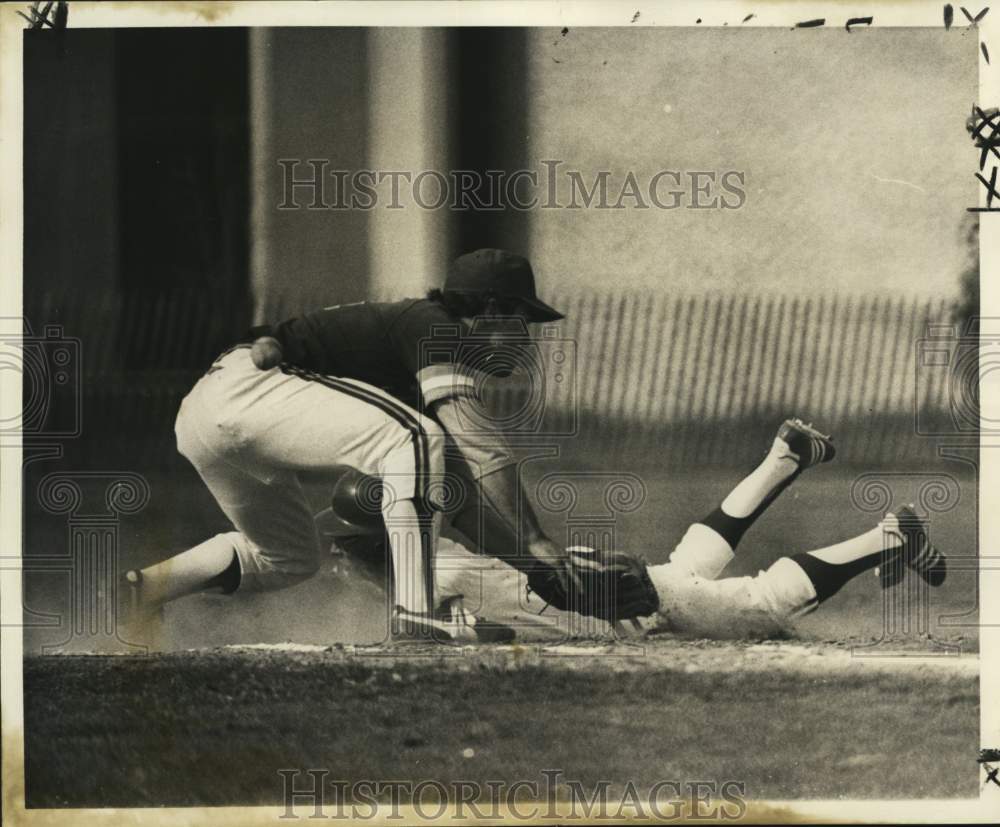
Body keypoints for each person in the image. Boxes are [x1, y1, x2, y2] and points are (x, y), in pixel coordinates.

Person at [125, 248, 582, 644]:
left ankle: (149, 589)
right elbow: (480, 445)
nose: (526, 340)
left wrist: (534, 567)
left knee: (289, 558)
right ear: (493, 309)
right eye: (522, 322)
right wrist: (537, 541)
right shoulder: (435, 327)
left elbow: (459, 497)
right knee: (417, 438)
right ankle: (417, 615)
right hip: (249, 390)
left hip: (206, 415)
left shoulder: (416, 356)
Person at [319, 419, 947, 640]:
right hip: (591, 583)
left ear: (377, 542)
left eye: (350, 545)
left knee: (757, 606)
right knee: (686, 569)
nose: (343, 559)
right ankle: (785, 457)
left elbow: (487, 635)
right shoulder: (437, 558)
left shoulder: (434, 577)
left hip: (613, 606)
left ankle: (891, 537)